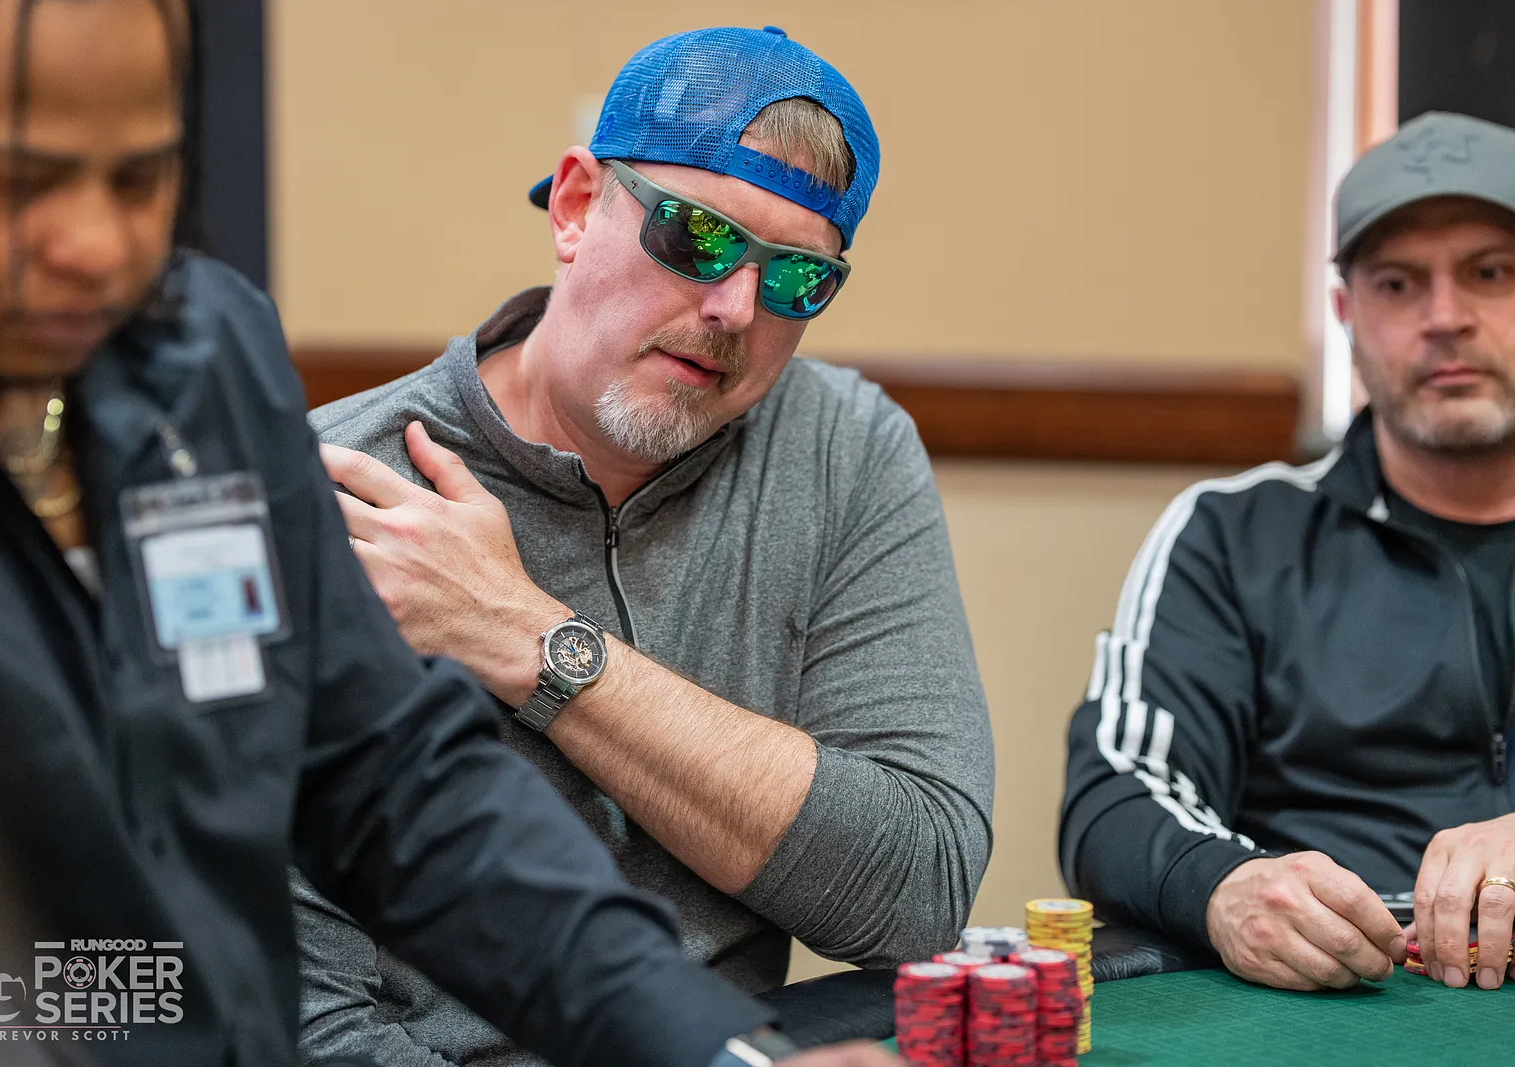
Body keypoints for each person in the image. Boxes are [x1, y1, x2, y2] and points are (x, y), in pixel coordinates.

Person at [0, 3, 898, 1066]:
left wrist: (715, 1054)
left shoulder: (201, 360)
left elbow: (391, 780)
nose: (96, 245)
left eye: (139, 179)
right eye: (16, 179)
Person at [300, 24, 994, 1066]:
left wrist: (531, 637)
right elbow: (293, 1011)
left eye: (796, 279)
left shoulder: (840, 448)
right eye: (699, 236)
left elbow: (915, 887)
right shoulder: (340, 487)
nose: (735, 308)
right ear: (577, 206)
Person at [1059, 111, 1515, 997]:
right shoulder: (1232, 533)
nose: (1445, 318)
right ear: (1347, 313)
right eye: (1397, 283)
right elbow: (1115, 791)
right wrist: (1223, 885)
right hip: (1336, 996)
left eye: (1489, 272)